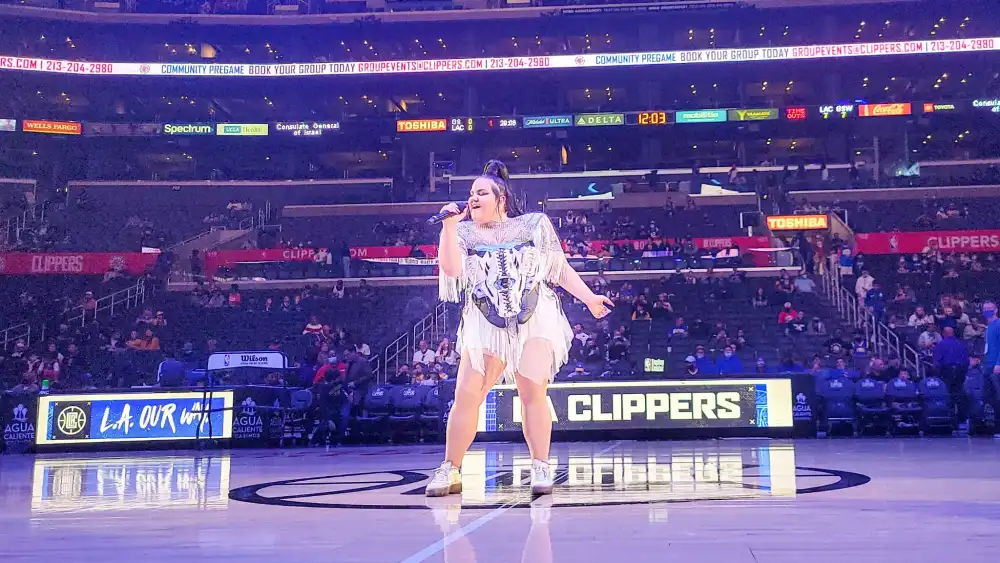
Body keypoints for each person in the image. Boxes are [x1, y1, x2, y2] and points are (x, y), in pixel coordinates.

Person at [427, 160, 613, 497]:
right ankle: (450, 468)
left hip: (534, 316)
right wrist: (449, 228)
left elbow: (559, 268)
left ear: (501, 197)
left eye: (481, 192)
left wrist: (589, 298)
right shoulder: (463, 231)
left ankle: (541, 465)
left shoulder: (534, 224)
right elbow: (452, 270)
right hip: (485, 319)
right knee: (467, 394)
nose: (473, 198)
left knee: (532, 391)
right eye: (470, 194)